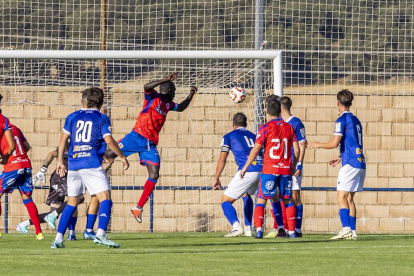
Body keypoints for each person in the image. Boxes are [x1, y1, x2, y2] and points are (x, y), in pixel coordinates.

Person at [104, 73, 197, 223]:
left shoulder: (168, 105)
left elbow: (181, 108)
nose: (174, 95)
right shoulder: (153, 97)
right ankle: (89, 172)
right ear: (167, 91)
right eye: (173, 92)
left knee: (154, 174)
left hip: (150, 145)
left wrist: (190, 95)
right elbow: (146, 87)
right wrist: (165, 80)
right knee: (107, 153)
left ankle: (138, 208)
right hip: (135, 138)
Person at [51, 87, 129, 249]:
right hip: (91, 164)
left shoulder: (72, 117)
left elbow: (62, 140)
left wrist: (59, 161)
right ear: (101, 103)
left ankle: (58, 239)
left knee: (71, 202)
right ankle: (100, 234)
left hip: (74, 165)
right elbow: (109, 140)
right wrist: (121, 156)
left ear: (82, 102)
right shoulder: (102, 118)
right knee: (106, 198)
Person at [309, 89, 366, 240]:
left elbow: (335, 143)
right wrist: (341, 156)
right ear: (351, 103)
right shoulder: (356, 119)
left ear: (337, 103)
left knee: (340, 197)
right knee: (349, 199)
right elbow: (353, 142)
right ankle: (353, 233)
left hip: (350, 163)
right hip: (359, 162)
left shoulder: (341, 120)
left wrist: (318, 144)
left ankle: (346, 229)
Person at [240, 100, 299, 239]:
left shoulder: (265, 127)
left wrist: (245, 167)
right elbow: (296, 149)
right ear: (280, 111)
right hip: (285, 170)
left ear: (266, 111)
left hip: (270, 169)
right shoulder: (289, 127)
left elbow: (256, 149)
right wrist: (293, 166)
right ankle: (292, 232)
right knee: (287, 200)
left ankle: (259, 230)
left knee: (261, 199)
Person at [17, 146, 102, 241]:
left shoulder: (87, 149)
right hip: (58, 179)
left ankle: (24, 224)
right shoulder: (70, 146)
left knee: (65, 207)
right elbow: (52, 154)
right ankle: (66, 228)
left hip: (70, 179)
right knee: (77, 199)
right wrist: (43, 170)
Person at [212, 113, 263, 237]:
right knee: (246, 194)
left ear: (233, 124)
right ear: (246, 124)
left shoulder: (228, 136)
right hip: (262, 169)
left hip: (248, 170)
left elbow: (222, 159)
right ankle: (248, 228)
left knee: (225, 201)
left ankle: (236, 227)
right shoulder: (254, 135)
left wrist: (216, 177)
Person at [265, 96, 307, 238]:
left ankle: (297, 229)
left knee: (294, 197)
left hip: (293, 167)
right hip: (280, 167)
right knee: (278, 196)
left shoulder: (296, 123)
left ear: (281, 108)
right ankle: (282, 228)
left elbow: (302, 145)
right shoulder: (280, 123)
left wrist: (298, 164)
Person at [0, 121, 45, 240]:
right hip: (26, 164)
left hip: (13, 166)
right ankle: (39, 233)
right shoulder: (16, 128)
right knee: (27, 198)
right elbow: (27, 147)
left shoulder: (3, 130)